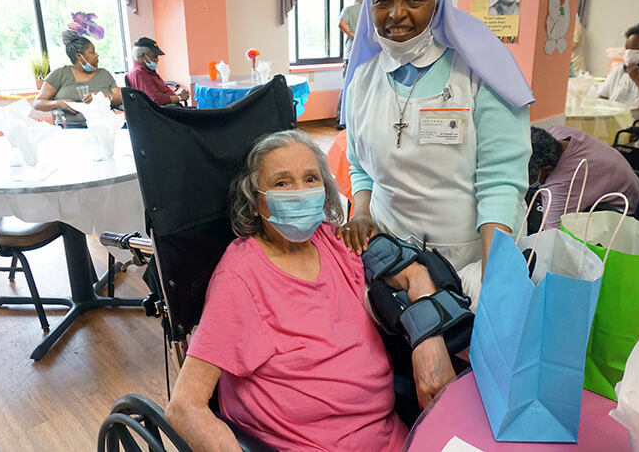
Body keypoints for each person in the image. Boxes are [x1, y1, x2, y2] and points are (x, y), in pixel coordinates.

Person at [164, 129, 453, 452]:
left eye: (311, 178)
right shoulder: (239, 277)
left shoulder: (337, 241)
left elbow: (416, 276)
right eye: (282, 183)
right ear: (256, 200)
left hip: (391, 438)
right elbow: (184, 407)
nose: (300, 192)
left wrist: (429, 339)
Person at [340, 0, 533, 309]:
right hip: (393, 260)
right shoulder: (363, 76)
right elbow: (358, 164)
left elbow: (500, 180)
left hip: (471, 260)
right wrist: (362, 212)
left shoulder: (479, 73)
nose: (397, 14)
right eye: (382, 0)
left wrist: (494, 278)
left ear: (438, 1)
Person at [529, 126, 639, 231]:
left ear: (546, 170)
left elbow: (553, 237)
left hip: (623, 220)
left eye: (528, 178)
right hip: (635, 191)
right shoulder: (558, 132)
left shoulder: (564, 185)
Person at [34, 30, 122, 127]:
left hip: (105, 127)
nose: (97, 55)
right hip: (71, 129)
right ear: (79, 56)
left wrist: (100, 96)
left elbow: (119, 99)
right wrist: (59, 103)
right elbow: (38, 103)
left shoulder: (104, 74)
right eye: (92, 52)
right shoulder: (60, 74)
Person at [126, 37, 191, 106]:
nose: (157, 60)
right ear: (143, 57)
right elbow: (155, 99)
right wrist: (179, 97)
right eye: (155, 56)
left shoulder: (149, 72)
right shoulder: (139, 74)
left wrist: (178, 96)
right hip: (163, 114)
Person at [337, 0, 365, 129]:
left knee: (347, 86)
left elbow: (341, 24)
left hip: (351, 54)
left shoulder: (349, 9)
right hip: (369, 55)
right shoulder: (372, 10)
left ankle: (342, 120)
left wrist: (353, 35)